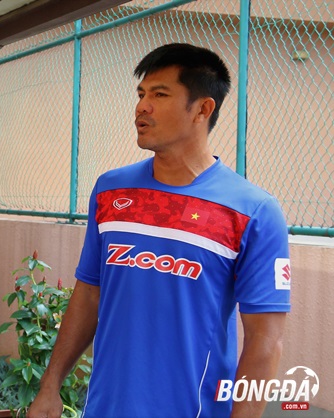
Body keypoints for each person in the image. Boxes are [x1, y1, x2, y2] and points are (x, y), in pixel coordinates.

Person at [28, 43, 290, 418]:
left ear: (202, 109)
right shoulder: (111, 191)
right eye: (141, 94)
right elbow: (88, 294)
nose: (142, 107)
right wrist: (50, 385)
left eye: (159, 95)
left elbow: (265, 340)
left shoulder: (253, 211)